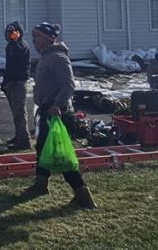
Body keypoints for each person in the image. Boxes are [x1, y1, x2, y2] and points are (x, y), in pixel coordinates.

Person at [24, 22, 96, 209]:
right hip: (47, 112)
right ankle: (41, 185)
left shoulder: (58, 58)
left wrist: (57, 105)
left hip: (59, 114)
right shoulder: (46, 58)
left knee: (61, 157)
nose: (34, 42)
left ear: (47, 39)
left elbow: (68, 85)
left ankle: (83, 194)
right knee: (42, 149)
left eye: (37, 38)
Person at [1, 21, 31, 150]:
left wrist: (15, 40)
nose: (9, 35)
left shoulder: (21, 46)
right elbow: (9, 66)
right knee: (15, 112)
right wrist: (5, 81)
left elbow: (18, 55)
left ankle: (24, 140)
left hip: (19, 83)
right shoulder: (10, 46)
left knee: (20, 112)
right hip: (11, 82)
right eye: (8, 33)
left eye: (12, 32)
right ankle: (18, 135)